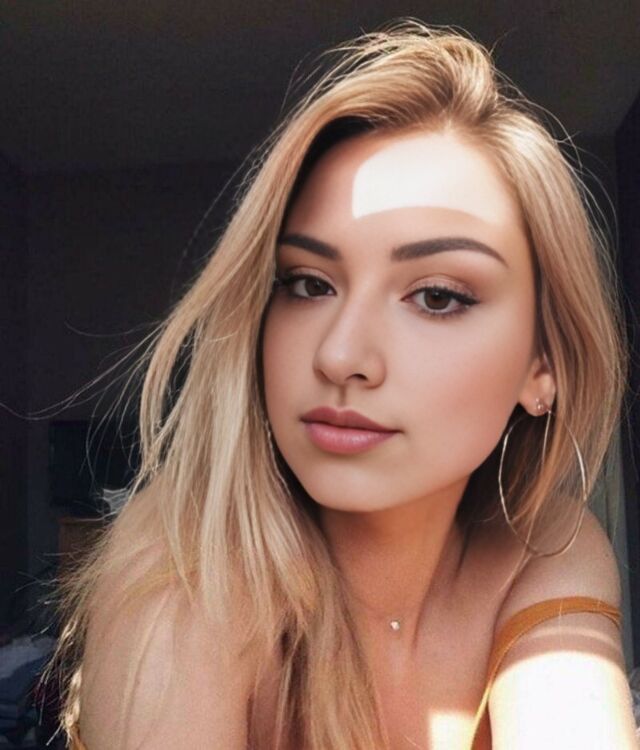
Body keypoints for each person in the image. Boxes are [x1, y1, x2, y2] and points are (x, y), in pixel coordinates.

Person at [41, 19, 638, 749]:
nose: (340, 354)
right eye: (308, 282)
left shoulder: (544, 545)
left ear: (543, 366)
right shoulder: (183, 560)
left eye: (438, 296)